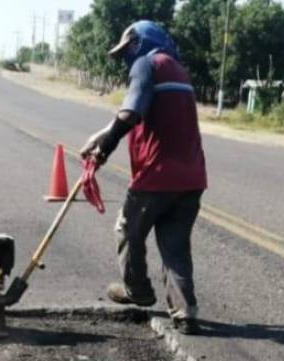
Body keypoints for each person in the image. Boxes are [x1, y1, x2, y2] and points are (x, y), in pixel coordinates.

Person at [80, 21, 208, 335]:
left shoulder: (145, 64)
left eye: (128, 49)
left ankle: (137, 289)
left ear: (143, 42)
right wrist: (100, 135)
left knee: (127, 229)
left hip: (158, 176)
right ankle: (185, 312)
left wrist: (104, 150)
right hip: (191, 177)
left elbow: (131, 113)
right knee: (175, 246)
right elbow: (142, 113)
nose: (126, 58)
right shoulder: (176, 69)